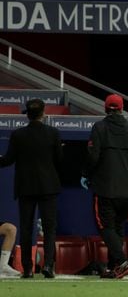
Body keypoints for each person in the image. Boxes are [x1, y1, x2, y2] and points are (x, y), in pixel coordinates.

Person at [80, 93, 128, 279]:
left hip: (105, 189)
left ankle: (123, 262)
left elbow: (93, 156)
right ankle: (113, 267)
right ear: (122, 109)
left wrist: (85, 174)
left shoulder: (99, 127)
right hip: (126, 191)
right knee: (118, 229)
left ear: (106, 108)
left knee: (105, 227)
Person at [0, 98, 63, 279]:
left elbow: (8, 160)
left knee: (26, 228)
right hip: (48, 186)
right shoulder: (53, 133)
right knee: (50, 229)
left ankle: (27, 269)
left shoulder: (18, 135)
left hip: (26, 187)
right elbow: (60, 160)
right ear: (43, 113)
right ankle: (49, 266)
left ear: (27, 115)